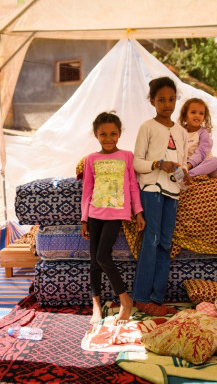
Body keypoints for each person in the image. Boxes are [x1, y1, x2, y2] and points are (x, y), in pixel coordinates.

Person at [81, 112, 146, 325]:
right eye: (103, 134)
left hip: (115, 214)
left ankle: (125, 299)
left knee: (102, 256)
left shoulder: (126, 156)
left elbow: (132, 186)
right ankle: (96, 306)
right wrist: (84, 218)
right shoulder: (91, 159)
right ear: (95, 135)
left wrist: (138, 212)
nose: (108, 138)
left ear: (119, 134)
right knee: (94, 262)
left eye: (113, 134)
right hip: (94, 214)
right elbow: (87, 190)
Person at [132, 77, 188, 316]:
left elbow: (183, 164)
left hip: (173, 192)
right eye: (161, 99)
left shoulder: (181, 131)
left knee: (165, 244)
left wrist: (184, 175)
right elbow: (137, 163)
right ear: (152, 101)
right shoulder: (147, 127)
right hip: (152, 190)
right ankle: (141, 297)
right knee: (151, 242)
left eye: (171, 99)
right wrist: (158, 163)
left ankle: (157, 298)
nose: (167, 104)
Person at [178, 97, 217, 178]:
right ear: (185, 115)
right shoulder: (180, 132)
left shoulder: (203, 133)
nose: (197, 115)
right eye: (193, 112)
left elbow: (201, 153)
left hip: (203, 166)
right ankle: (183, 174)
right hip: (185, 165)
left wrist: (187, 167)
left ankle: (186, 176)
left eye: (201, 113)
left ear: (204, 117)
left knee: (215, 161)